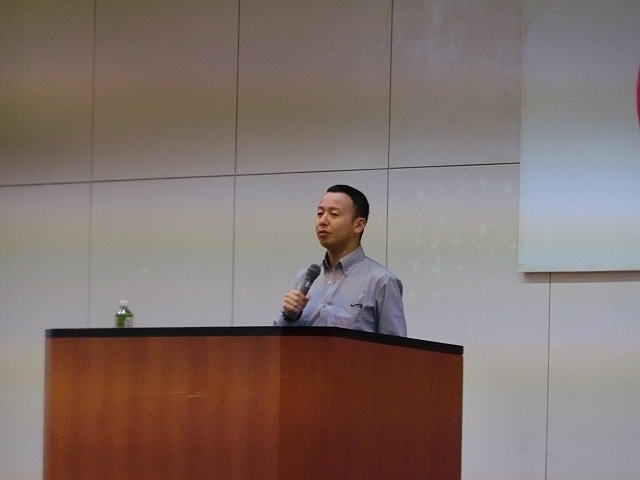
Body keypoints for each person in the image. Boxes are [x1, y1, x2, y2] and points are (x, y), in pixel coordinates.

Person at [274, 184, 407, 336]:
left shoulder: (381, 281)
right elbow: (279, 341)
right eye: (320, 213)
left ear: (358, 225)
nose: (323, 221)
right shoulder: (305, 277)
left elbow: (396, 347)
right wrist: (290, 315)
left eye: (334, 214)